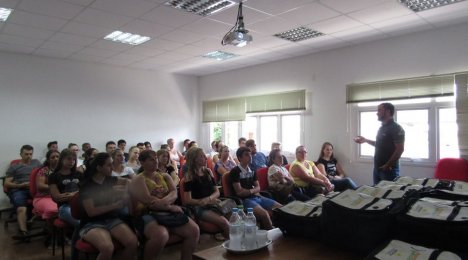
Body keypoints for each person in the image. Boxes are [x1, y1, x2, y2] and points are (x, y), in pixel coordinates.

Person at [129, 150, 199, 260]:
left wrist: (163, 202)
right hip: (146, 213)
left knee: (194, 230)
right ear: (142, 162)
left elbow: (174, 193)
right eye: (151, 159)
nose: (155, 161)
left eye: (156, 158)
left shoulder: (165, 176)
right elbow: (149, 202)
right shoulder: (139, 179)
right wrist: (170, 206)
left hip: (166, 211)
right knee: (161, 235)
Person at [79, 152, 137, 260]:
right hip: (91, 223)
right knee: (107, 247)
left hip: (111, 219)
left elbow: (128, 182)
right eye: (109, 165)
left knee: (133, 242)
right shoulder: (87, 185)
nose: (112, 167)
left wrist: (124, 193)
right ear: (99, 168)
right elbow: (92, 212)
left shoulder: (109, 180)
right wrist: (115, 205)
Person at [230, 147, 282, 230]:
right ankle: (272, 234)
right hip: (245, 200)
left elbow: (258, 187)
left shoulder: (253, 170)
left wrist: (250, 191)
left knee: (281, 208)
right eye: (246, 155)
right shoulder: (235, 171)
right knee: (264, 214)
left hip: (257, 196)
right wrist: (253, 191)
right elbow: (239, 192)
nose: (250, 156)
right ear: (240, 158)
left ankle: (283, 229)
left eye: (250, 154)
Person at [183, 147, 229, 239]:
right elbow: (187, 200)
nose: (205, 157)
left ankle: (225, 237)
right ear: (194, 159)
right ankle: (233, 245)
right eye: (201, 156)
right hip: (199, 207)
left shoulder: (208, 171)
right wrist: (204, 201)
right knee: (224, 222)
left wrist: (209, 199)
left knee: (236, 218)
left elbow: (217, 192)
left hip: (212, 202)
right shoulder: (189, 176)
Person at [354, 102, 405, 184]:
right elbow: (379, 144)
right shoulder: (382, 128)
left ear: (388, 111)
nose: (377, 113)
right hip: (378, 169)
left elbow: (400, 149)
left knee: (388, 195)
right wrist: (366, 140)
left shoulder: (396, 128)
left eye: (379, 110)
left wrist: (387, 165)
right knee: (377, 193)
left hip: (389, 170)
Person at [5, 145, 42, 240]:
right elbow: (7, 183)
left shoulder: (37, 163)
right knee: (21, 208)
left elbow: (44, 174)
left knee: (48, 201)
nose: (29, 156)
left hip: (35, 189)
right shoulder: (14, 167)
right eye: (26, 154)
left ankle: (42, 224)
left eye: (30, 154)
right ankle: (23, 232)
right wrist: (20, 185)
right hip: (20, 189)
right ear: (21, 154)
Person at [49, 149, 82, 227]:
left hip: (81, 204)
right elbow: (57, 197)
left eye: (74, 159)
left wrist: (72, 195)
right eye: (69, 159)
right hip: (64, 207)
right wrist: (78, 194)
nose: (72, 161)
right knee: (80, 223)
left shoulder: (79, 174)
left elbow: (86, 191)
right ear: (61, 159)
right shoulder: (53, 176)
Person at [33, 150, 60, 221]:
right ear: (48, 160)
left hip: (61, 197)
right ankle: (50, 228)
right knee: (55, 210)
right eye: (53, 157)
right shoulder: (44, 171)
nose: (56, 159)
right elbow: (40, 186)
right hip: (44, 197)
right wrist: (56, 187)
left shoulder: (65, 170)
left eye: (57, 157)